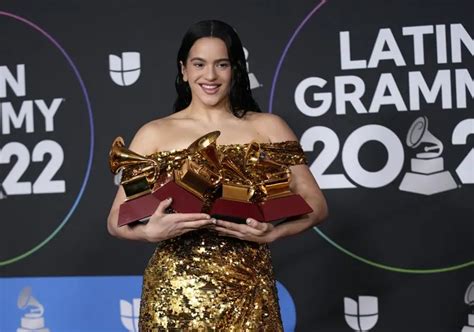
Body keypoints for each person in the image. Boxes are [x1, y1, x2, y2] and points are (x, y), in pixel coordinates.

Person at [107, 19, 328, 331]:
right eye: (199, 64)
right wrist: (148, 232)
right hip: (173, 294)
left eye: (221, 64)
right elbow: (116, 218)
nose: (209, 76)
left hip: (249, 292)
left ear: (235, 69)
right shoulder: (153, 134)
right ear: (183, 70)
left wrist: (274, 233)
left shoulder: (268, 127)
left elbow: (316, 204)